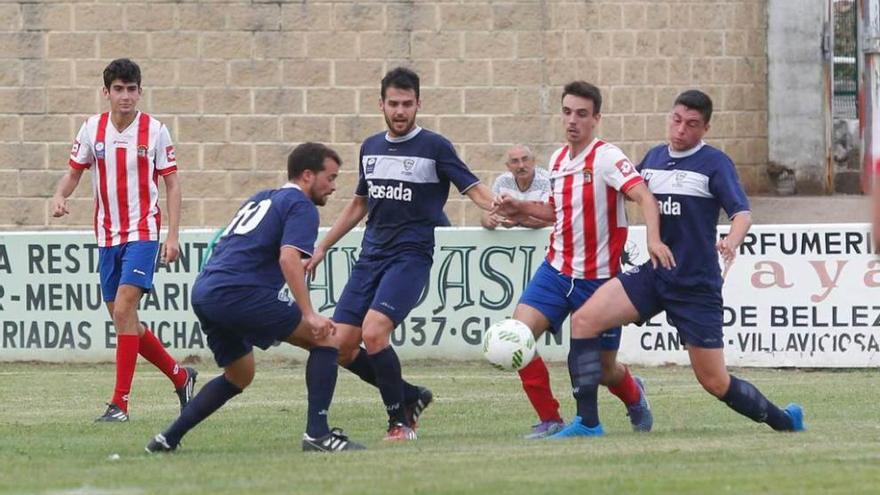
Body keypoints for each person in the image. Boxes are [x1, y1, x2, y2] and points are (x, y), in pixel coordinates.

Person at [560, 89, 805, 436]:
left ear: (705, 127)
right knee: (584, 320)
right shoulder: (654, 158)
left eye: (691, 124)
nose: (680, 130)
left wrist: (731, 241)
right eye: (676, 120)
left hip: (695, 285)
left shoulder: (715, 163)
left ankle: (785, 421)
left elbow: (742, 214)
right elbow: (622, 191)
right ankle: (588, 424)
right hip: (655, 274)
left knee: (715, 382)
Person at [306, 67, 496, 441]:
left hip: (410, 257)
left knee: (375, 332)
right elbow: (359, 205)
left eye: (407, 104)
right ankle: (410, 396)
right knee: (341, 345)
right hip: (371, 256)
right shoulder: (371, 147)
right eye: (393, 103)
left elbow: (472, 187)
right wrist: (323, 245)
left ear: (418, 104)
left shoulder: (435, 147)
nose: (400, 111)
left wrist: (498, 205)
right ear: (381, 104)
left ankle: (400, 423)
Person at [145, 142, 365, 453]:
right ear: (307, 175)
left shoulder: (262, 198)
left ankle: (166, 438)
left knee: (239, 374)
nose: (333, 186)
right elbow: (289, 259)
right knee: (326, 339)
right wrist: (310, 313)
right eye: (329, 178)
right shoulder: (300, 206)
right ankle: (318, 435)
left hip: (206, 291)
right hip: (239, 292)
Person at [496, 81, 674, 439]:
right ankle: (551, 419)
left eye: (581, 114)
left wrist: (654, 239)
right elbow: (557, 212)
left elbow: (644, 196)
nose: (572, 120)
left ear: (596, 118)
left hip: (599, 280)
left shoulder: (607, 157)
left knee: (604, 369)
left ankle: (634, 392)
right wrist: (520, 208)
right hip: (556, 271)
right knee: (516, 337)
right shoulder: (558, 160)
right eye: (567, 112)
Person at [51, 58, 196, 422]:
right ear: (106, 92)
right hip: (106, 235)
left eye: (132, 89)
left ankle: (120, 404)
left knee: (123, 310)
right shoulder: (91, 129)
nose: (126, 96)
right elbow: (73, 173)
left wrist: (172, 234)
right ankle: (181, 377)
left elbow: (173, 184)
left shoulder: (155, 131)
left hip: (143, 233)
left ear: (139, 92)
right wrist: (59, 195)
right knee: (123, 319)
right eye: (119, 89)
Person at [481, 144, 552, 229]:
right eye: (515, 161)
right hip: (511, 240)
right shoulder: (502, 181)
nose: (521, 166)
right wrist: (489, 221)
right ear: (508, 166)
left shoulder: (547, 181)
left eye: (525, 159)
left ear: (533, 162)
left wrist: (517, 219)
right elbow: (488, 212)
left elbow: (546, 219)